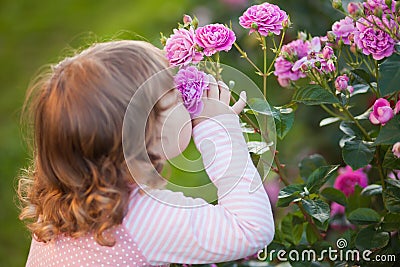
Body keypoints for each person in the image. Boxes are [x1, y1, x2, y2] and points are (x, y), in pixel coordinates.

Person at [18, 40, 274, 266]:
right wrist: (219, 131)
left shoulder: (59, 202)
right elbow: (251, 229)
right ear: (148, 137)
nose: (185, 99)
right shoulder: (142, 221)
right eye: (173, 95)